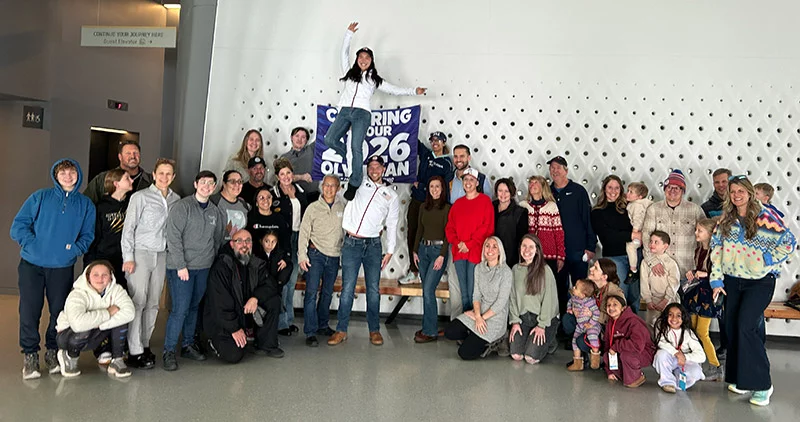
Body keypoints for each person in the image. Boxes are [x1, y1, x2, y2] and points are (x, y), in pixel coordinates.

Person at [710, 175, 796, 406]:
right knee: (732, 328)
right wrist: (716, 280)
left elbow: (788, 242)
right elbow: (716, 249)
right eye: (733, 191)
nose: (736, 195)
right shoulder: (725, 219)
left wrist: (766, 259)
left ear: (749, 192)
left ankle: (762, 385)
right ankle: (740, 379)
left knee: (746, 327)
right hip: (731, 280)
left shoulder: (765, 216)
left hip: (759, 281)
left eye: (741, 191)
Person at [11, 158, 95, 380]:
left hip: (62, 267)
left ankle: (51, 350)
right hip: (32, 265)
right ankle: (30, 355)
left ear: (78, 175)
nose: (68, 176)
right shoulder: (40, 197)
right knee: (29, 311)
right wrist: (32, 244)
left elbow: (88, 235)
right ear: (56, 176)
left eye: (72, 172)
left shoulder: (85, 205)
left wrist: (73, 250)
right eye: (63, 173)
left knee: (58, 313)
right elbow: (18, 226)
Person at [323, 22, 426, 201]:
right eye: (360, 57)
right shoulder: (348, 73)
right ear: (357, 60)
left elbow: (394, 89)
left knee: (356, 146)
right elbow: (343, 53)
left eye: (367, 58)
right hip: (345, 111)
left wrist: (413, 91)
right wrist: (349, 34)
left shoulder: (374, 79)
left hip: (362, 114)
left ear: (371, 61)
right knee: (330, 139)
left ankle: (354, 182)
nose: (363, 60)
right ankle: (348, 158)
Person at [329, 156, 400, 346]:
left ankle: (374, 330)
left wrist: (390, 250)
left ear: (384, 169)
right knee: (347, 289)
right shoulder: (357, 183)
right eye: (371, 166)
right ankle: (341, 330)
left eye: (378, 167)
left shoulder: (391, 195)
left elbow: (392, 224)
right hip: (351, 243)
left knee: (373, 289)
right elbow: (353, 158)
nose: (374, 170)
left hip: (374, 246)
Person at [163, 170, 226, 371]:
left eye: (211, 184)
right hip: (182, 268)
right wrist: (181, 265)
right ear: (195, 184)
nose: (207, 186)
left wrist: (212, 263)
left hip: (203, 267)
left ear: (214, 187)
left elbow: (216, 240)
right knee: (179, 310)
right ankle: (169, 351)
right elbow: (173, 237)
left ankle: (188, 345)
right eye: (203, 182)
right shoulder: (182, 207)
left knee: (193, 307)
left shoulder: (215, 212)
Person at [121, 158, 180, 369]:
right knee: (138, 301)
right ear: (154, 175)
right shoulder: (140, 197)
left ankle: (145, 344)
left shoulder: (176, 200)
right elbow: (128, 229)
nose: (164, 177)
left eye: (169, 174)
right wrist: (128, 257)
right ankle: (134, 350)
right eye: (161, 173)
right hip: (140, 253)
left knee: (154, 303)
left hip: (162, 255)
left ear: (173, 177)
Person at [204, 230, 283, 363]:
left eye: (248, 241)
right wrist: (234, 328)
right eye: (239, 241)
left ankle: (266, 344)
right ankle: (211, 341)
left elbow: (271, 285)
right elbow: (220, 303)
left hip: (244, 313)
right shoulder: (222, 266)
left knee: (274, 300)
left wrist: (255, 298)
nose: (244, 245)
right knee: (233, 355)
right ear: (231, 244)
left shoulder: (256, 263)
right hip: (224, 321)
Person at [54, 260, 134, 378]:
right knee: (84, 328)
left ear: (111, 277)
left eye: (105, 275)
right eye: (95, 275)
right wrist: (108, 313)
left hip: (96, 333)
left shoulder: (116, 290)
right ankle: (70, 356)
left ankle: (117, 360)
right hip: (68, 337)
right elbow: (77, 324)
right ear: (88, 277)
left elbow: (130, 313)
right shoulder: (77, 294)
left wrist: (99, 324)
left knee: (121, 321)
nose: (100, 278)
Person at [444, 237, 513, 360]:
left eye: (494, 246)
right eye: (487, 246)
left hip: (495, 318)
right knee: (449, 331)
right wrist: (477, 315)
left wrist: (480, 318)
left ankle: (497, 339)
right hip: (478, 314)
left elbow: (501, 303)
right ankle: (476, 337)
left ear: (499, 251)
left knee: (464, 353)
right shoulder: (479, 268)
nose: (490, 249)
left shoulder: (506, 272)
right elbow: (476, 295)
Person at [399, 131, 454, 285]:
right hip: (417, 201)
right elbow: (413, 139)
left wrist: (424, 187)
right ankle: (413, 270)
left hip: (434, 205)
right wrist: (408, 120)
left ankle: (439, 270)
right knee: (412, 234)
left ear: (444, 143)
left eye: (438, 140)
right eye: (432, 140)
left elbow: (444, 186)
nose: (435, 142)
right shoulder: (426, 153)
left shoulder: (447, 163)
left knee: (437, 235)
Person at [445, 144, 492, 318]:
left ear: (477, 182)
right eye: (466, 180)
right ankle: (463, 324)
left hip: (475, 251)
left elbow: (486, 226)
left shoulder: (485, 201)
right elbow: (450, 227)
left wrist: (470, 244)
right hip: (458, 252)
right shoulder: (457, 204)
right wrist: (458, 244)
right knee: (462, 291)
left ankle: (475, 323)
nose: (468, 183)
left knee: (475, 291)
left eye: (471, 180)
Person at [298, 175, 345, 346]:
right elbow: (303, 232)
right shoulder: (313, 208)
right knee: (311, 294)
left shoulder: (343, 207)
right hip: (315, 255)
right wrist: (302, 256)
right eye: (326, 185)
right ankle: (310, 331)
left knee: (327, 293)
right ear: (322, 187)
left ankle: (322, 325)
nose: (329, 189)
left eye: (333, 186)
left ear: (338, 188)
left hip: (333, 256)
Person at [548, 155, 596, 313]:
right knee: (558, 290)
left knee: (581, 290)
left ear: (566, 171)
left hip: (577, 251)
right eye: (552, 167)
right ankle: (563, 326)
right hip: (556, 253)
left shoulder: (578, 191)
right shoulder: (547, 192)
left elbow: (588, 219)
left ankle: (582, 325)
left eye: (558, 167)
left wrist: (590, 247)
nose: (555, 171)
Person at [641, 169, 705, 277]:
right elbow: (646, 236)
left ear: (683, 191)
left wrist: (701, 266)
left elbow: (705, 239)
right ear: (665, 189)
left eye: (677, 188)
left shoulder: (695, 210)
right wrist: (653, 261)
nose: (672, 190)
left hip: (688, 271)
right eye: (669, 187)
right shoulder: (653, 209)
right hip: (662, 271)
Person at [561, 258, 624, 367]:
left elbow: (618, 317)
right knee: (567, 319)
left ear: (604, 277)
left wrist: (593, 315)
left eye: (595, 268)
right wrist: (574, 309)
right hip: (585, 323)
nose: (591, 269)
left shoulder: (615, 292)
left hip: (605, 331)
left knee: (581, 340)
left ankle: (606, 357)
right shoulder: (589, 284)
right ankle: (580, 358)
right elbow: (576, 297)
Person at [271, 158, 309, 337]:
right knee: (283, 282)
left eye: (288, 173)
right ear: (277, 176)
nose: (286, 177)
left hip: (298, 239)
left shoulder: (300, 191)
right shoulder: (274, 194)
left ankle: (289, 319)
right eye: (282, 174)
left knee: (292, 281)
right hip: (282, 242)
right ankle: (280, 322)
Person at [590, 175, 639, 313]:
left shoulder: (629, 208)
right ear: (604, 189)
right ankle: (618, 330)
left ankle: (634, 328)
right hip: (615, 258)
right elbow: (607, 237)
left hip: (635, 256)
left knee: (636, 296)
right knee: (620, 296)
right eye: (610, 187)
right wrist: (632, 235)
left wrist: (626, 235)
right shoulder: (597, 212)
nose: (613, 191)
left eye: (617, 188)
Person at [683, 218, 724, 381]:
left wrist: (704, 274)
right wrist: (693, 272)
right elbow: (700, 270)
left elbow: (720, 274)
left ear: (710, 233)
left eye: (700, 231)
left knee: (702, 332)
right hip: (696, 295)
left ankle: (716, 366)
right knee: (692, 329)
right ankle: (696, 362)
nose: (696, 233)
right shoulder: (698, 250)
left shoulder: (716, 253)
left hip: (708, 295)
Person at [508, 235, 559, 364]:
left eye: (531, 247)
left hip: (543, 319)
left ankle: (550, 339)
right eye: (524, 246)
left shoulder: (545, 270)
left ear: (537, 250)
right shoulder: (515, 270)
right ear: (520, 248)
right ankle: (529, 340)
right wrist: (515, 321)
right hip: (524, 318)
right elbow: (512, 297)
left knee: (530, 358)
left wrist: (541, 326)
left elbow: (550, 300)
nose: (527, 250)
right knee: (516, 355)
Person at [412, 176, 451, 343]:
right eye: (432, 186)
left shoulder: (448, 208)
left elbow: (448, 234)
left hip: (437, 252)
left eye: (438, 186)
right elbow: (419, 229)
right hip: (423, 251)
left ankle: (430, 332)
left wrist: (442, 255)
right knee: (426, 291)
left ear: (443, 189)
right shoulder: (423, 207)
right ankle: (429, 326)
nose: (434, 189)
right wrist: (414, 251)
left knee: (428, 290)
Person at [85, 169, 133, 290]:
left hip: (124, 258)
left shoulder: (131, 204)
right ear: (116, 184)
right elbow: (94, 235)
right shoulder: (100, 207)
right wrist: (91, 262)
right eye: (127, 178)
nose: (131, 180)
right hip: (103, 258)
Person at [603, 294, 656, 388]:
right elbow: (607, 345)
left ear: (623, 308)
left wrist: (615, 347)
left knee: (626, 355)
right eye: (608, 305)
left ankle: (637, 377)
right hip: (622, 351)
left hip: (644, 353)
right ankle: (627, 375)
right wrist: (609, 371)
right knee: (607, 356)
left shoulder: (633, 321)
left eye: (615, 304)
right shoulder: (610, 323)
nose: (611, 307)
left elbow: (637, 345)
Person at [652, 303, 706, 393]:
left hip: (684, 363)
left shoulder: (688, 333)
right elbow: (661, 343)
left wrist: (685, 357)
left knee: (696, 372)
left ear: (683, 318)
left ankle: (678, 384)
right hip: (671, 360)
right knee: (661, 355)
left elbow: (702, 356)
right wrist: (676, 353)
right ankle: (668, 382)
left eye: (678, 316)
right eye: (670, 315)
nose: (674, 319)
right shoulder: (663, 329)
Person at [84, 140, 153, 203]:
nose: (133, 156)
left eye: (136, 153)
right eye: (128, 153)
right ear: (120, 157)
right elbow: (85, 204)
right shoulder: (103, 179)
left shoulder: (151, 181)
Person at [641, 231, 680, 327]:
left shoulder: (671, 263)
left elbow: (674, 283)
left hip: (669, 300)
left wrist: (666, 300)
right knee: (650, 326)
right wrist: (648, 300)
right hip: (653, 301)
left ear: (665, 246)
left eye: (656, 242)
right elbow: (644, 283)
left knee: (670, 326)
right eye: (651, 241)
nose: (652, 244)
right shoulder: (645, 263)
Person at [247, 187, 291, 264]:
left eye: (268, 197)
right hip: (256, 261)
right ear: (256, 202)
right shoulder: (250, 217)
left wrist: (285, 258)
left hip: (277, 260)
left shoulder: (279, 218)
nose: (265, 200)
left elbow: (285, 239)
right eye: (261, 198)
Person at [566, 279, 602, 371]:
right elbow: (570, 302)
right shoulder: (574, 298)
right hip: (580, 325)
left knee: (592, 336)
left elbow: (597, 313)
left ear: (583, 294)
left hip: (592, 326)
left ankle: (595, 357)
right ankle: (577, 363)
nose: (573, 288)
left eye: (576, 288)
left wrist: (591, 323)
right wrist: (570, 309)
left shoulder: (590, 302)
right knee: (574, 341)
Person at [492, 178, 528, 268]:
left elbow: (522, 239)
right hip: (491, 255)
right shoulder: (490, 207)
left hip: (510, 259)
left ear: (512, 193)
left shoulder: (520, 212)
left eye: (506, 191)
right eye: (500, 190)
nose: (503, 194)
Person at [280, 127, 320, 203]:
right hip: (293, 197)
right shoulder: (284, 158)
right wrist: (302, 177)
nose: (299, 139)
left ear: (306, 140)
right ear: (291, 138)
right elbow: (281, 179)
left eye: (303, 137)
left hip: (313, 196)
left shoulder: (311, 150)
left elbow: (323, 135)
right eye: (297, 136)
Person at [624, 181, 652, 283]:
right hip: (643, 233)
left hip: (640, 232)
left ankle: (633, 270)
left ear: (639, 196)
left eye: (631, 192)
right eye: (628, 191)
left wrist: (634, 232)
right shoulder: (636, 203)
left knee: (630, 246)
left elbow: (638, 219)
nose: (628, 193)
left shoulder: (637, 205)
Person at [210, 170, 250, 241]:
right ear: (224, 184)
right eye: (232, 182)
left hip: (237, 249)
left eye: (239, 182)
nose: (237, 185)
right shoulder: (213, 201)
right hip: (217, 250)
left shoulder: (243, 204)